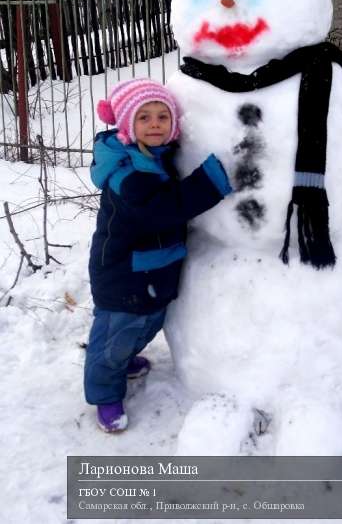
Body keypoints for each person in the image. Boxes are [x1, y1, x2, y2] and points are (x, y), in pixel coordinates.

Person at [84, 78, 232, 433]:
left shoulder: (159, 159)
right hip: (122, 276)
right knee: (114, 337)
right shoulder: (126, 173)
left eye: (162, 117)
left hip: (151, 273)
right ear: (126, 126)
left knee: (147, 323)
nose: (154, 124)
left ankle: (123, 360)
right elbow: (162, 209)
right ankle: (105, 392)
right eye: (144, 117)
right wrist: (212, 177)